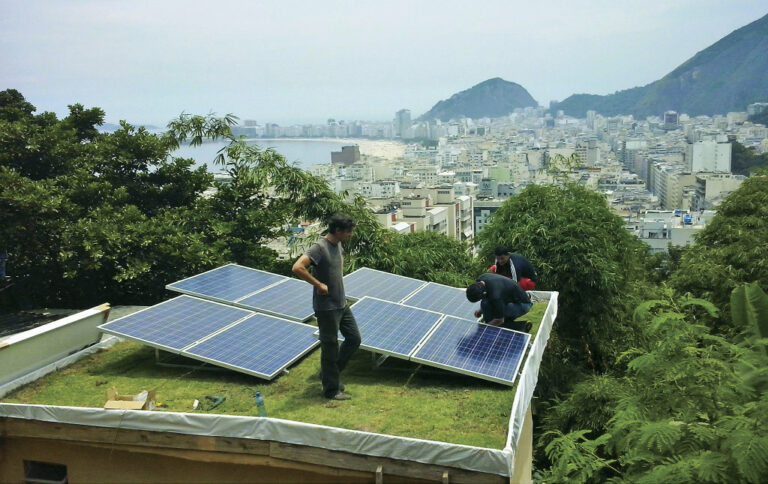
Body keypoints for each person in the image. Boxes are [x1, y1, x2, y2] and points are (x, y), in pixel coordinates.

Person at [292, 214, 361, 401]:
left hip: (341, 304)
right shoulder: (319, 247)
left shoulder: (338, 245)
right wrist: (318, 284)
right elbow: (297, 267)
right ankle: (331, 390)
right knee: (330, 348)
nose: (351, 235)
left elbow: (338, 264)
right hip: (327, 308)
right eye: (348, 232)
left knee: (354, 339)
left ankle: (329, 375)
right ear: (338, 231)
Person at [466, 273, 533, 331]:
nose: (480, 300)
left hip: (523, 305)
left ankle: (521, 326)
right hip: (509, 300)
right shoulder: (481, 278)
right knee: (484, 303)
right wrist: (481, 310)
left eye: (479, 299)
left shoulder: (496, 295)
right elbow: (487, 298)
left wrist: (486, 327)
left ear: (484, 293)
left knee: (497, 319)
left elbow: (499, 320)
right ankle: (520, 325)